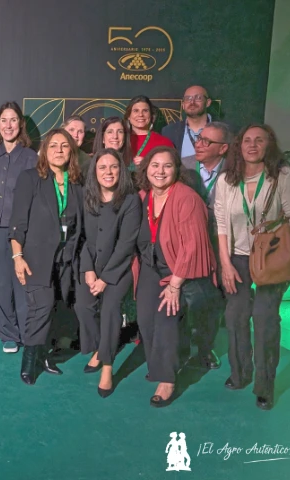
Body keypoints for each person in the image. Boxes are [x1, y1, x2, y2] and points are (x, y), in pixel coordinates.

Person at [215, 124, 290, 410]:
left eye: (259, 140)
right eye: (247, 140)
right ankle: (240, 373)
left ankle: (265, 386)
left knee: (264, 319)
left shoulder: (283, 176)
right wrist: (225, 263)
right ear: (239, 146)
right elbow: (220, 225)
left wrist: (288, 258)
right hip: (238, 257)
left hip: (271, 256)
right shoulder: (227, 179)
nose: (252, 145)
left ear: (269, 145)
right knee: (235, 316)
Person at [134, 146, 221, 407]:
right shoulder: (143, 196)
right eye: (155, 165)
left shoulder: (186, 198)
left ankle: (167, 378)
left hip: (178, 271)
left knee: (166, 318)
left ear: (176, 170)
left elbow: (193, 245)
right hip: (151, 266)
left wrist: (175, 284)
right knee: (145, 317)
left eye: (167, 166)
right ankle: (158, 363)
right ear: (146, 168)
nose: (160, 171)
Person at [9, 128, 84, 384]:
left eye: (64, 146)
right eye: (53, 146)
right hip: (36, 257)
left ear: (71, 151)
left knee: (54, 307)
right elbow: (17, 222)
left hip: (66, 259)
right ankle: (29, 363)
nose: (59, 150)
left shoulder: (77, 182)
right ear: (45, 150)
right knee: (39, 307)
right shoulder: (30, 178)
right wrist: (17, 256)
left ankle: (43, 356)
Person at [74, 148, 140, 396]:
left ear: (121, 170)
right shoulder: (87, 197)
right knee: (83, 306)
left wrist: (105, 279)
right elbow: (83, 239)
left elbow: (126, 246)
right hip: (92, 265)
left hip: (119, 269)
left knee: (111, 310)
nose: (108, 172)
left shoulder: (130, 201)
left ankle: (108, 367)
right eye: (102, 167)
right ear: (95, 172)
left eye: (113, 167)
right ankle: (101, 347)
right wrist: (89, 270)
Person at [0, 101, 38, 354]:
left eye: (13, 120)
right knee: (0, 282)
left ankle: (28, 333)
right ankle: (7, 333)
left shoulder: (30, 157)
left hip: (22, 229)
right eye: (4, 120)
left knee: (22, 281)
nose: (8, 125)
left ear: (20, 124)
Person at [182, 121, 234, 370]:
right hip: (189, 244)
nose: (199, 145)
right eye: (199, 139)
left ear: (223, 149)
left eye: (206, 142)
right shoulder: (184, 165)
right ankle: (181, 346)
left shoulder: (235, 173)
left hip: (221, 244)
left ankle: (205, 349)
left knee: (214, 301)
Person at [162, 85, 214, 164]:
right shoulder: (169, 132)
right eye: (187, 99)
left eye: (198, 98)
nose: (192, 102)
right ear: (183, 105)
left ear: (208, 102)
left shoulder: (224, 130)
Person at [124, 95, 174, 168]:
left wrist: (150, 164)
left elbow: (172, 169)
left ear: (151, 116)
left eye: (145, 111)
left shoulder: (164, 142)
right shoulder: (120, 140)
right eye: (136, 111)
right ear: (128, 116)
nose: (140, 114)